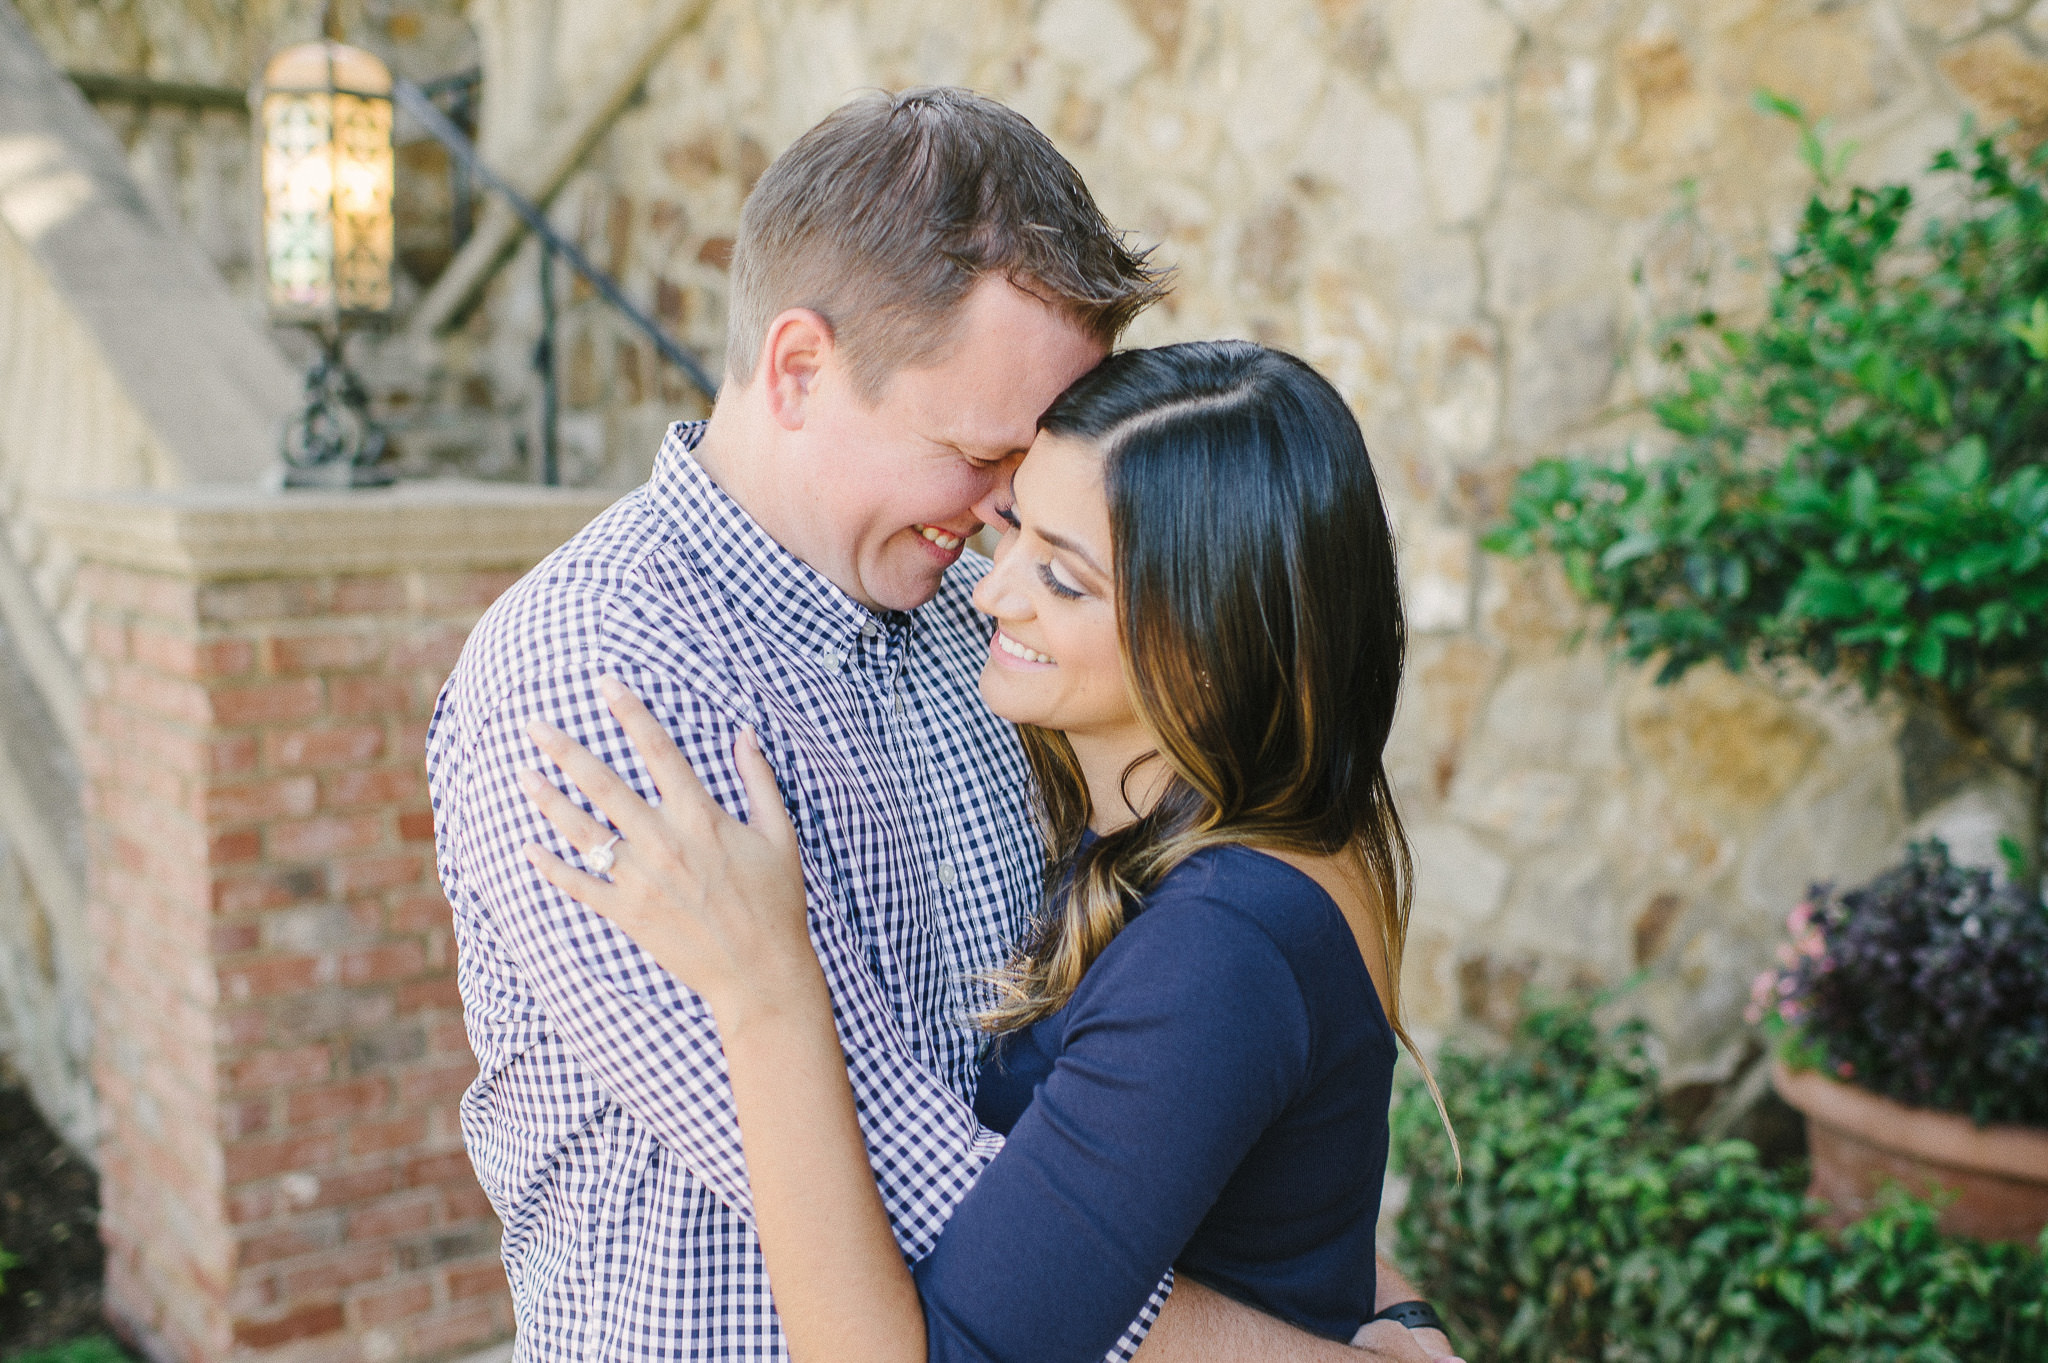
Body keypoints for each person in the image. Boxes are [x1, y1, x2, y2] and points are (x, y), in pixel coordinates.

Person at [427, 87, 1451, 1362]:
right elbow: (946, 1211)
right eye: (977, 455)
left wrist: (1370, 1286)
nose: (998, 521)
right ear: (799, 366)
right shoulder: (601, 679)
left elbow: (1151, 1113)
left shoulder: (988, 612)